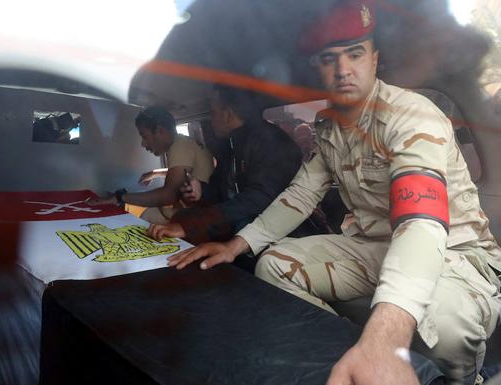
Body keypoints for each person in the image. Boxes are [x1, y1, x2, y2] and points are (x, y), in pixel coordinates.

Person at [158, 1, 501, 384]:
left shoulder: (410, 116)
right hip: (376, 245)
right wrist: (237, 245)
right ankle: (348, 359)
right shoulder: (329, 127)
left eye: (354, 54)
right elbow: (301, 195)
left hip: (453, 253)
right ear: (317, 68)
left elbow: (420, 224)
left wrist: (386, 339)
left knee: (446, 325)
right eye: (328, 59)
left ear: (374, 58)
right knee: (272, 265)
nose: (342, 70)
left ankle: (464, 378)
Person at [148, 85, 303, 245]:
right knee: (181, 219)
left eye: (213, 113)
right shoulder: (230, 145)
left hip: (275, 231)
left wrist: (192, 227)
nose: (210, 120)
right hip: (241, 224)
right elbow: (221, 189)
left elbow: (257, 199)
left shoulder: (272, 143)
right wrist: (201, 190)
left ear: (228, 115)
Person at [90, 106, 214, 224]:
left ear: (160, 131)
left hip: (190, 220)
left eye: (144, 136)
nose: (143, 144)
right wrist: (154, 173)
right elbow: (181, 172)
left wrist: (120, 197)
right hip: (189, 215)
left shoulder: (180, 146)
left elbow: (169, 196)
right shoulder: (185, 142)